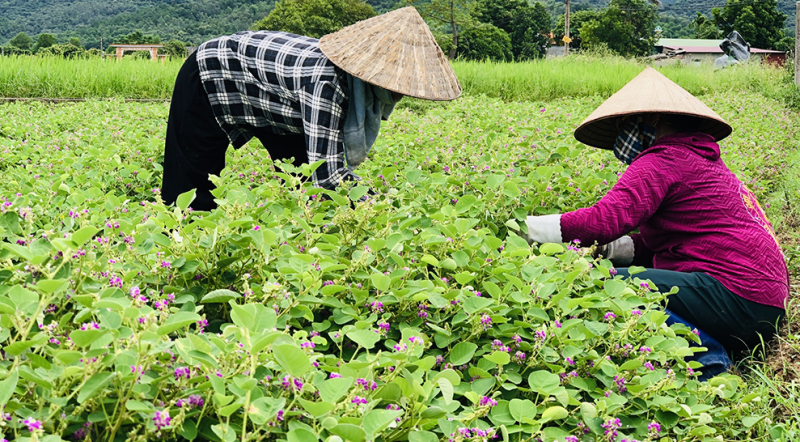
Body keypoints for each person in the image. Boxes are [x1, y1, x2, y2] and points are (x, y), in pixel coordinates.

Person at [519, 67, 788, 362]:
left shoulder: (665, 159)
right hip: (765, 307)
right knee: (632, 278)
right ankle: (710, 346)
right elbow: (666, 243)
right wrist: (609, 250)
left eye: (626, 124)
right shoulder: (705, 163)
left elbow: (603, 220)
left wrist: (524, 229)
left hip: (735, 297)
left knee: (605, 284)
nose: (624, 134)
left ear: (647, 120)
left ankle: (709, 360)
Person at [161, 7, 461, 210]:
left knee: (303, 180)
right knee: (192, 183)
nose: (397, 93)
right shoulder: (327, 84)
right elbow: (329, 175)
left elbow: (320, 168)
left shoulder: (354, 86)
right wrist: (377, 205)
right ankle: (181, 250)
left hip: (278, 95)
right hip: (213, 72)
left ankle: (303, 243)